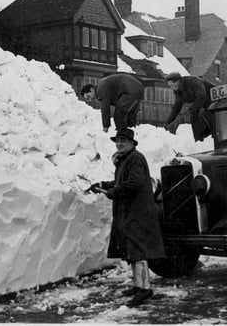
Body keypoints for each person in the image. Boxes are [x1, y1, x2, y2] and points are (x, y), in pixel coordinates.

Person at [86, 127, 165, 307]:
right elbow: (123, 181)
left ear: (131, 143)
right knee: (132, 250)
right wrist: (104, 184)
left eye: (123, 141)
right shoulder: (126, 159)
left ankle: (144, 290)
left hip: (138, 212)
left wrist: (114, 192)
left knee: (138, 250)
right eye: (117, 141)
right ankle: (138, 286)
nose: (119, 143)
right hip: (130, 212)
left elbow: (135, 183)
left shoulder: (135, 158)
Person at [80, 74, 144, 133]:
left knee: (119, 113)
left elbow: (105, 109)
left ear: (91, 89)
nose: (90, 99)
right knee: (130, 115)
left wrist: (105, 126)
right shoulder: (103, 85)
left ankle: (121, 134)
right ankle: (132, 133)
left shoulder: (100, 89)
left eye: (88, 96)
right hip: (138, 87)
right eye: (88, 99)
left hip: (129, 89)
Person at [164, 72, 214, 141]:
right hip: (200, 102)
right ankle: (199, 141)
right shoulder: (178, 92)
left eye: (173, 85)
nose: (172, 88)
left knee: (210, 116)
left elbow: (202, 96)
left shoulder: (193, 81)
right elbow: (176, 108)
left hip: (212, 99)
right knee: (194, 118)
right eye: (170, 86)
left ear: (178, 81)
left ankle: (216, 136)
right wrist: (167, 123)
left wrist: (191, 109)